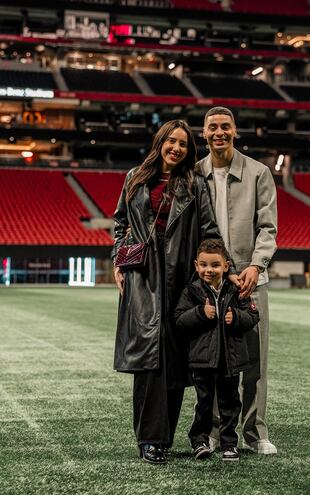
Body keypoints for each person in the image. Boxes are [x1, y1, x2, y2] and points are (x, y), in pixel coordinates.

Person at [112, 119, 221, 465]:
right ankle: (149, 439)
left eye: (184, 145)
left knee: (174, 361)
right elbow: (120, 224)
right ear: (160, 142)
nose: (176, 148)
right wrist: (119, 260)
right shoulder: (134, 178)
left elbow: (209, 230)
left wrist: (215, 270)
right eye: (171, 142)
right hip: (143, 277)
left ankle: (164, 438)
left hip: (180, 278)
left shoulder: (195, 185)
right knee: (149, 361)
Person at [196, 106, 278, 454]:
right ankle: (215, 432)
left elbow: (268, 227)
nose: (219, 133)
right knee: (214, 360)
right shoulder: (194, 174)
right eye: (212, 127)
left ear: (235, 131)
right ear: (204, 133)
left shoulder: (258, 172)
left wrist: (256, 266)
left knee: (255, 362)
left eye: (225, 127)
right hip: (211, 281)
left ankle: (255, 432)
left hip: (249, 280)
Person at [175, 239, 259, 462]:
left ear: (226, 266)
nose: (208, 270)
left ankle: (229, 444)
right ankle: (199, 440)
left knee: (230, 403)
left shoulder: (236, 289)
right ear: (196, 265)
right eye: (203, 265)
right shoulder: (191, 291)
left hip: (230, 360)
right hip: (202, 359)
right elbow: (179, 320)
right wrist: (200, 313)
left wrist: (236, 318)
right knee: (204, 402)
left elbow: (253, 315)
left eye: (214, 265)